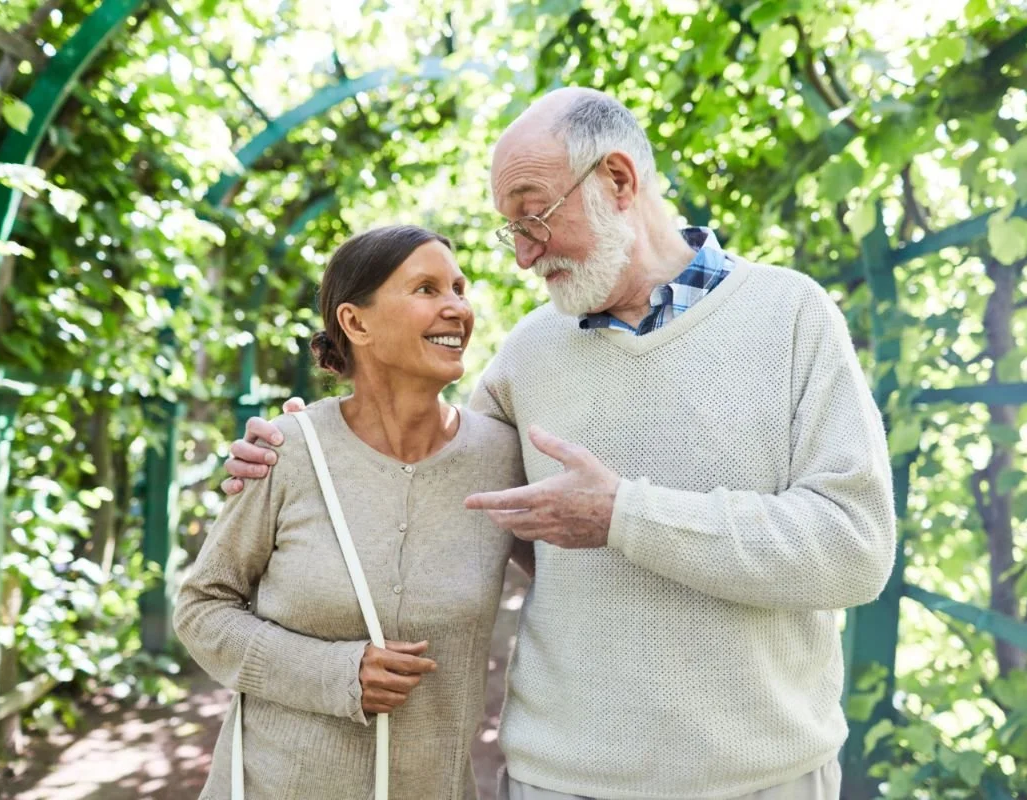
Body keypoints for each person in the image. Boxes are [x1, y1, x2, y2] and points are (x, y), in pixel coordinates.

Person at [223, 88, 896, 800]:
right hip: (558, 781)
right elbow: (429, 484)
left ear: (618, 180)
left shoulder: (791, 315)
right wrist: (308, 444)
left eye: (533, 216)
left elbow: (854, 550)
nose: (520, 256)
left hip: (765, 782)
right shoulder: (527, 353)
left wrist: (624, 516)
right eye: (507, 229)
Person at [175, 225, 528, 800]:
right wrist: (334, 675)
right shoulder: (285, 451)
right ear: (356, 322)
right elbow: (201, 608)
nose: (457, 308)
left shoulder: (504, 457)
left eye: (459, 288)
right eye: (427, 289)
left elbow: (570, 577)